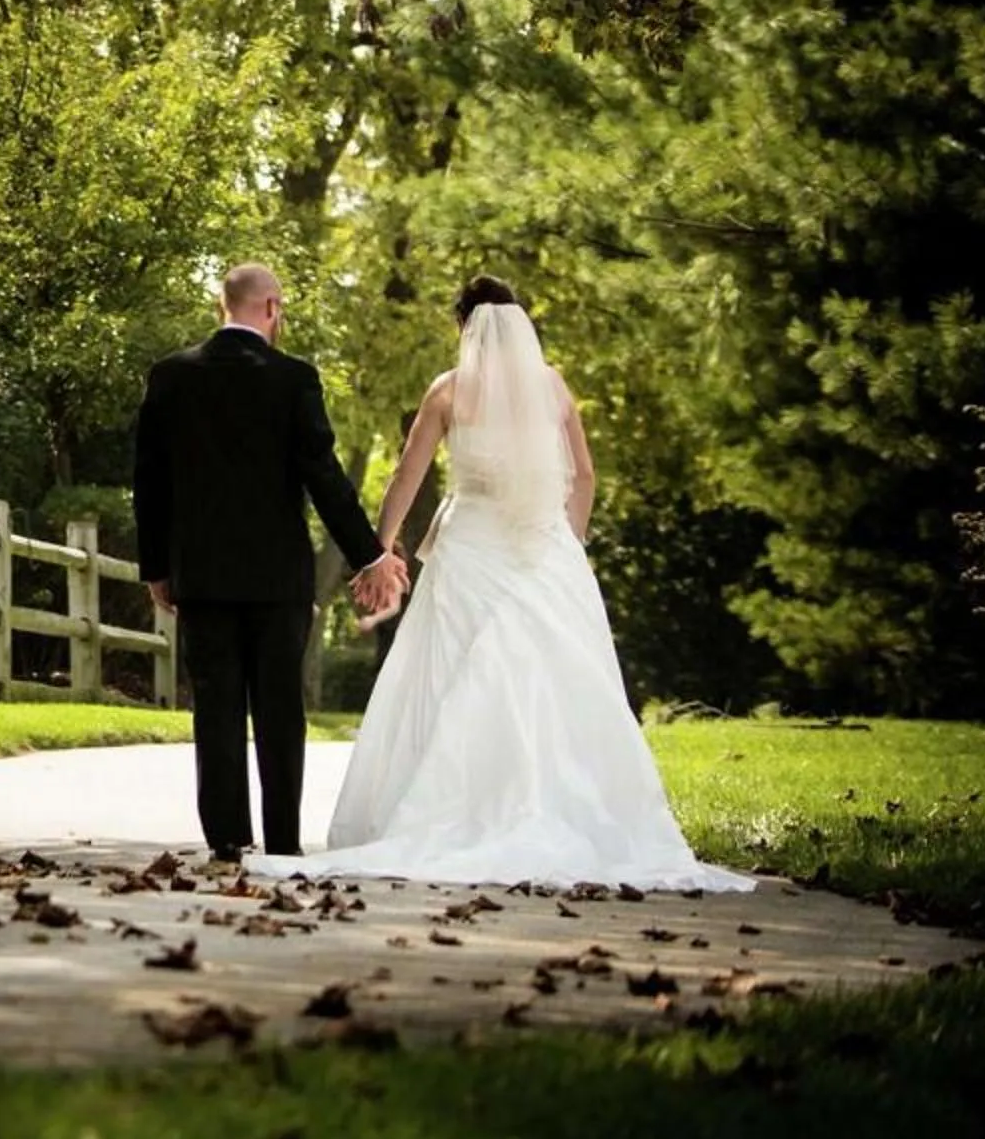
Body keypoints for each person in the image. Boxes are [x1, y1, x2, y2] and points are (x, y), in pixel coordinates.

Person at [250, 277, 752, 892]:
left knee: (443, 675)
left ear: (464, 325)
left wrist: (378, 552)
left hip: (469, 550)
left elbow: (404, 480)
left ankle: (439, 811)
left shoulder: (449, 391)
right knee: (554, 683)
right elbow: (585, 477)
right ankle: (566, 813)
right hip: (544, 551)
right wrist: (568, 541)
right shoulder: (553, 387)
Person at [132, 263, 408, 862]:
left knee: (217, 705)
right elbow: (325, 479)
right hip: (278, 576)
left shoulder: (171, 377)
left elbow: (149, 484)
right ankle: (282, 841)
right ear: (273, 308)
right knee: (280, 709)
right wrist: (372, 555)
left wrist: (157, 567)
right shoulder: (294, 380)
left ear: (220, 306)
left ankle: (228, 837)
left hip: (201, 573)